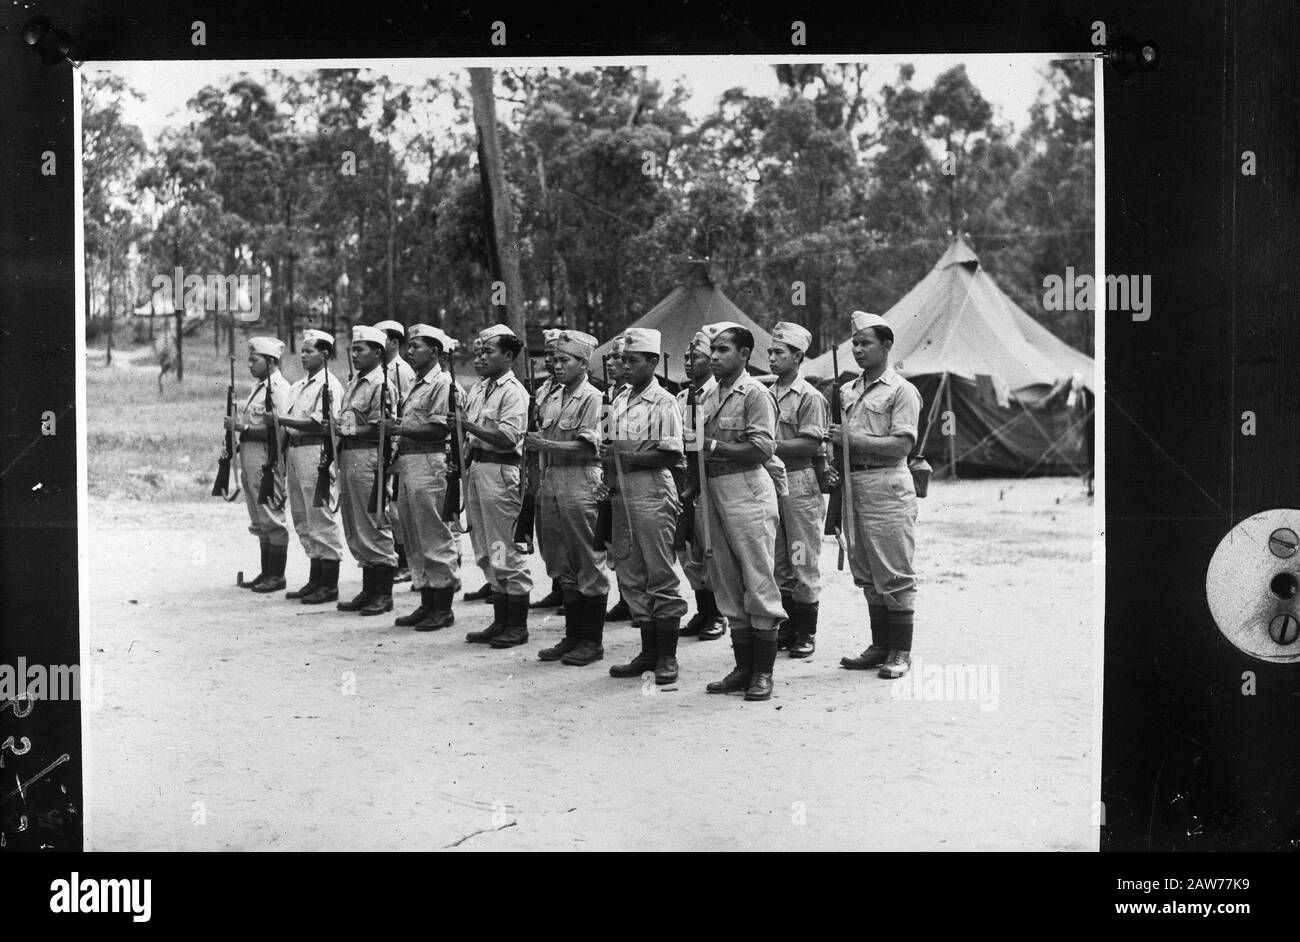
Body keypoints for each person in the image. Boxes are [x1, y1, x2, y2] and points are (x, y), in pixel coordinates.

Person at [832, 311, 924, 680]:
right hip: (854, 485)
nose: (857, 349)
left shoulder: (901, 391)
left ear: (887, 346)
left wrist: (852, 439)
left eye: (865, 343)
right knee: (866, 572)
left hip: (887, 485)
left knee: (894, 572)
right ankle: (880, 645)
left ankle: (900, 651)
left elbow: (902, 443)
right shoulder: (846, 390)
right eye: (854, 343)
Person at [698, 325, 785, 702]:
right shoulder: (705, 395)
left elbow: (762, 448)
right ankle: (742, 667)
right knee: (727, 582)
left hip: (747, 490)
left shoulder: (755, 394)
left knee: (758, 578)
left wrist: (713, 444)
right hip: (713, 490)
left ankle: (763, 673)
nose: (714, 356)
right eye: (712, 350)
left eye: (723, 350)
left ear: (745, 354)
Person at [601, 327, 688, 685]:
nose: (626, 366)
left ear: (653, 362)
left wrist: (628, 457)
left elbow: (672, 451)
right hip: (621, 491)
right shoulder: (619, 399)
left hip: (651, 489)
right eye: (623, 359)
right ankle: (648, 650)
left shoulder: (664, 401)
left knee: (659, 572)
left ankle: (667, 656)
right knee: (630, 570)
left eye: (633, 360)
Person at [524, 330, 610, 665]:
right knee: (562, 561)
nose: (557, 366)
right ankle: (573, 636)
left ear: (584, 363)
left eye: (566, 360)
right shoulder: (553, 396)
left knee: (588, 560)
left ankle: (592, 641)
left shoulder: (594, 398)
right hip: (553, 479)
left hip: (582, 477)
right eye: (556, 360)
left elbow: (590, 444)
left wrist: (546, 446)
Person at [459, 325, 534, 648]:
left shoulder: (513, 392)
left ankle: (516, 625)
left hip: (500, 471)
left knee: (505, 547)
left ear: (508, 355)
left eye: (488, 352)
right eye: (479, 352)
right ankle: (501, 618)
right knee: (487, 548)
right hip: (477, 468)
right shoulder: (480, 389)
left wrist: (469, 425)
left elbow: (507, 438)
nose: (481, 357)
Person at [388, 325, 461, 631]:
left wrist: (398, 429)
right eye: (410, 346)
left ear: (435, 351)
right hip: (409, 461)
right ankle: (427, 601)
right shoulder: (416, 384)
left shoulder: (442, 384)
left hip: (430, 462)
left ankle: (442, 607)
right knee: (414, 536)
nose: (410, 351)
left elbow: (439, 428)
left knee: (433, 534)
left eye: (417, 346)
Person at [767, 322, 830, 658]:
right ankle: (788, 627)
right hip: (769, 482)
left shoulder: (809, 397)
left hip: (798, 482)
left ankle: (806, 632)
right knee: (779, 562)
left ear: (798, 356)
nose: (772, 358)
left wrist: (767, 445)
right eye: (770, 352)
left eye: (779, 352)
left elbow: (810, 443)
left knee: (801, 557)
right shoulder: (764, 393)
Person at [276, 329, 347, 603]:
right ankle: (315, 577)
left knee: (320, 514)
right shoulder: (298, 386)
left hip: (315, 450)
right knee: (302, 516)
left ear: (325, 354)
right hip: (295, 451)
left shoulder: (330, 386)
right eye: (302, 351)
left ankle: (328, 583)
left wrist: (283, 421)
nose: (303, 355)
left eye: (309, 351)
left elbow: (320, 422)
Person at [335, 325, 399, 616]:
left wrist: (344, 429)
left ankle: (383, 594)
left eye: (360, 349)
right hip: (350, 457)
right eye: (353, 349)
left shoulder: (381, 384)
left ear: (377, 352)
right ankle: (369, 588)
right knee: (355, 524)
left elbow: (380, 427)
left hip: (368, 457)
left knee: (374, 523)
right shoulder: (355, 383)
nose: (355, 354)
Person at [225, 336, 292, 592]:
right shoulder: (261, 387)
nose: (250, 364)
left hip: (267, 461)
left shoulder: (279, 389)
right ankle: (266, 572)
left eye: (255, 360)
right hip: (252, 459)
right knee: (259, 517)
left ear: (271, 361)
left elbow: (280, 431)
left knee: (271, 516)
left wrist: (241, 428)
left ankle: (277, 574)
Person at [675, 326, 729, 641]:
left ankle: (718, 614)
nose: (687, 361)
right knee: (689, 550)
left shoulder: (714, 394)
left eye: (695, 356)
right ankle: (703, 609)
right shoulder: (682, 396)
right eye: (685, 356)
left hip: (708, 478)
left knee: (710, 547)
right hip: (683, 477)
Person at [375, 320, 417, 585]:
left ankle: (405, 562)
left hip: (399, 443)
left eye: (382, 339)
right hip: (385, 443)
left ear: (393, 342)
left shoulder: (401, 370)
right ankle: (396, 557)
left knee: (398, 508)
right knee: (389, 506)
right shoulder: (381, 369)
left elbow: (405, 408)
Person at [529, 328, 566, 613]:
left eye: (558, 355)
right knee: (550, 533)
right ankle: (558, 585)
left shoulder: (584, 392)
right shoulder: (542, 390)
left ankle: (570, 589)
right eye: (549, 355)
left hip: (567, 469)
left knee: (570, 535)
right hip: (544, 468)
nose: (552, 361)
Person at [602, 336, 633, 624]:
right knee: (616, 543)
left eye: (619, 358)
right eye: (611, 358)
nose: (612, 363)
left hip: (637, 477)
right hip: (612, 477)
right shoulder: (611, 394)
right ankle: (627, 597)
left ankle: (640, 600)